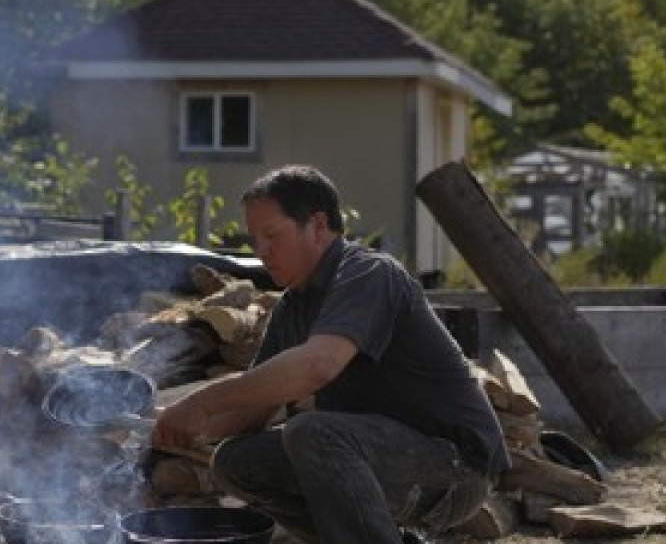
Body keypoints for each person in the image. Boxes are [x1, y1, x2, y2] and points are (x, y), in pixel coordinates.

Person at [152, 165, 511, 543]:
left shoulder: (369, 273)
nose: (261, 251)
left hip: (456, 467)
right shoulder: (291, 309)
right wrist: (164, 425)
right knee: (236, 463)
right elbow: (247, 414)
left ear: (318, 225)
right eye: (254, 240)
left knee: (314, 432)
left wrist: (202, 401)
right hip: (386, 458)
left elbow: (318, 366)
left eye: (272, 235)